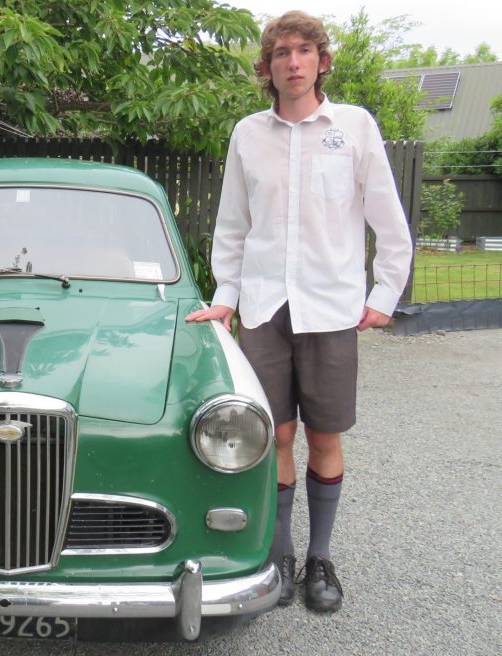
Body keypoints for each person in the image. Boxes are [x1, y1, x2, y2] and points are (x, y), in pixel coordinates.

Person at [185, 11, 412, 613]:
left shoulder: (355, 129)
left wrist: (384, 294)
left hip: (331, 307)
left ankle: (321, 560)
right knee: (276, 434)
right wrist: (224, 300)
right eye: (281, 52)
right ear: (267, 66)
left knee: (325, 436)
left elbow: (389, 219)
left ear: (321, 60)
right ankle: (279, 557)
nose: (292, 62)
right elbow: (231, 227)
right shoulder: (247, 135)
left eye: (303, 51)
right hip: (263, 307)